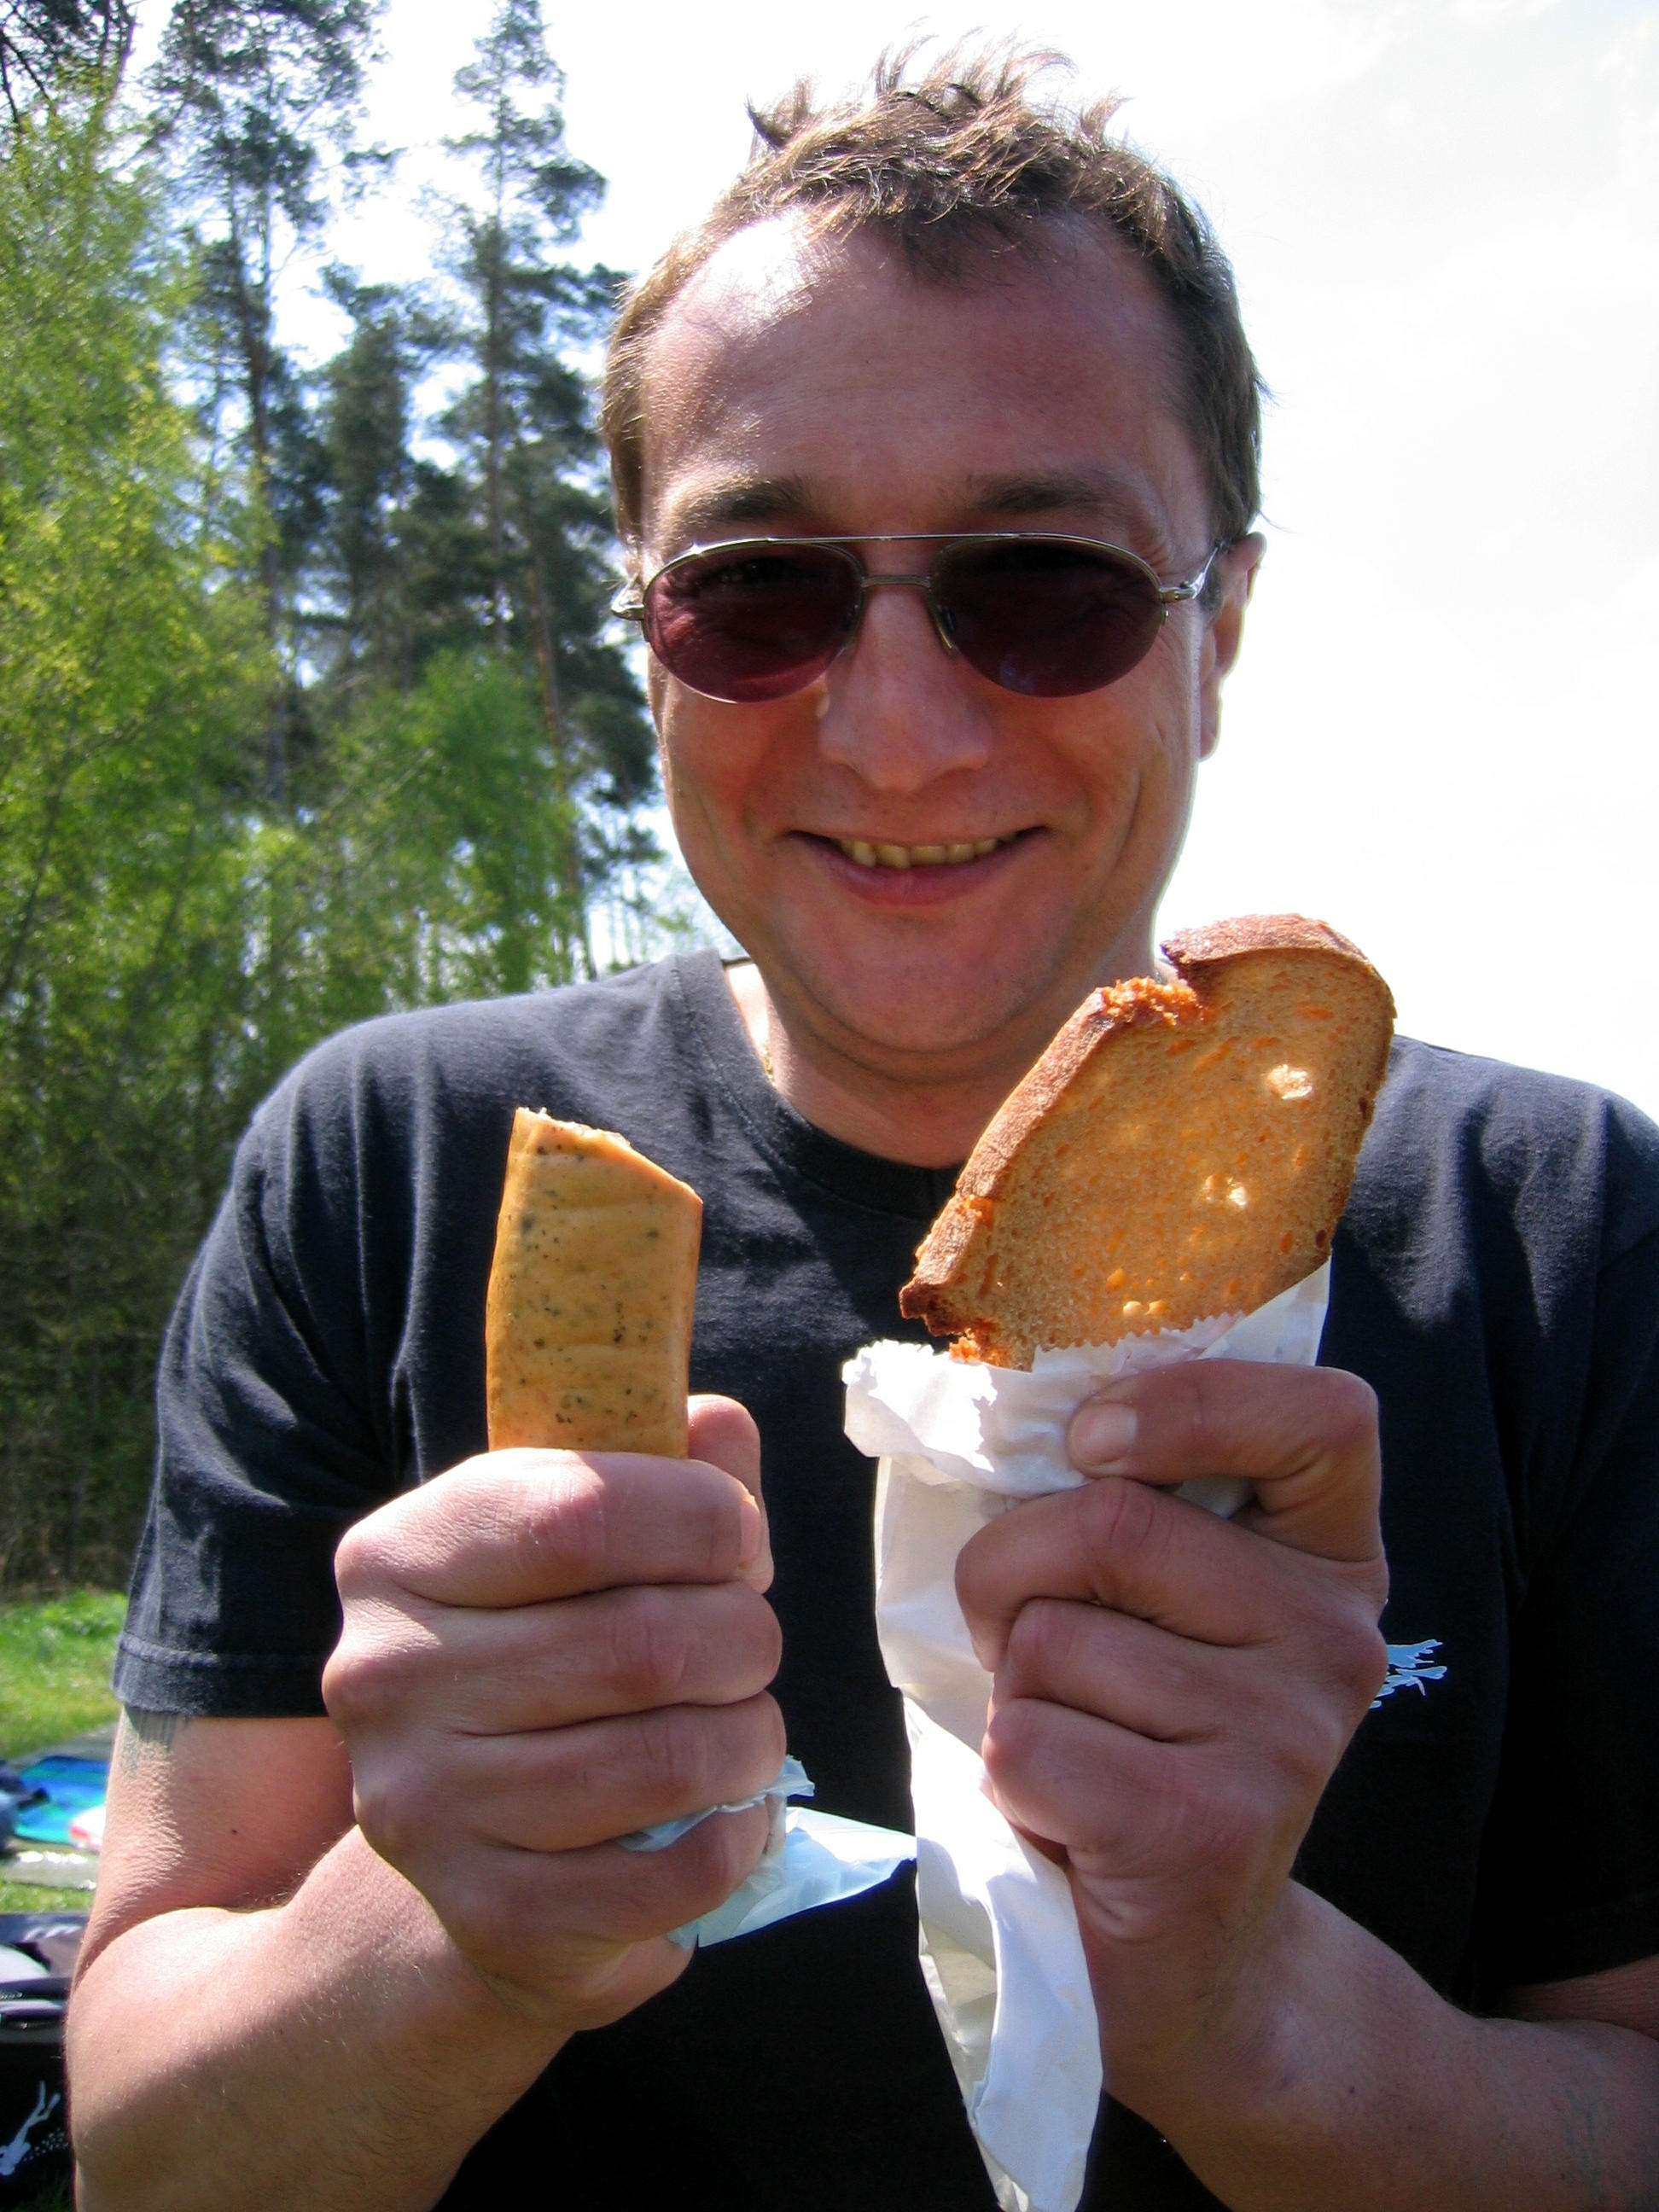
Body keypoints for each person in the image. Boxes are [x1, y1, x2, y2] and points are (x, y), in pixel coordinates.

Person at [67, 48, 1659, 2212]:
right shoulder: (396, 1172)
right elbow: (146, 2155)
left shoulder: (1557, 1233)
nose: (899, 734)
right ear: (646, 634)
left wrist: (1243, 2010)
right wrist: (447, 1932)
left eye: (1045, 582)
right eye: (761, 589)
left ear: (1221, 626)